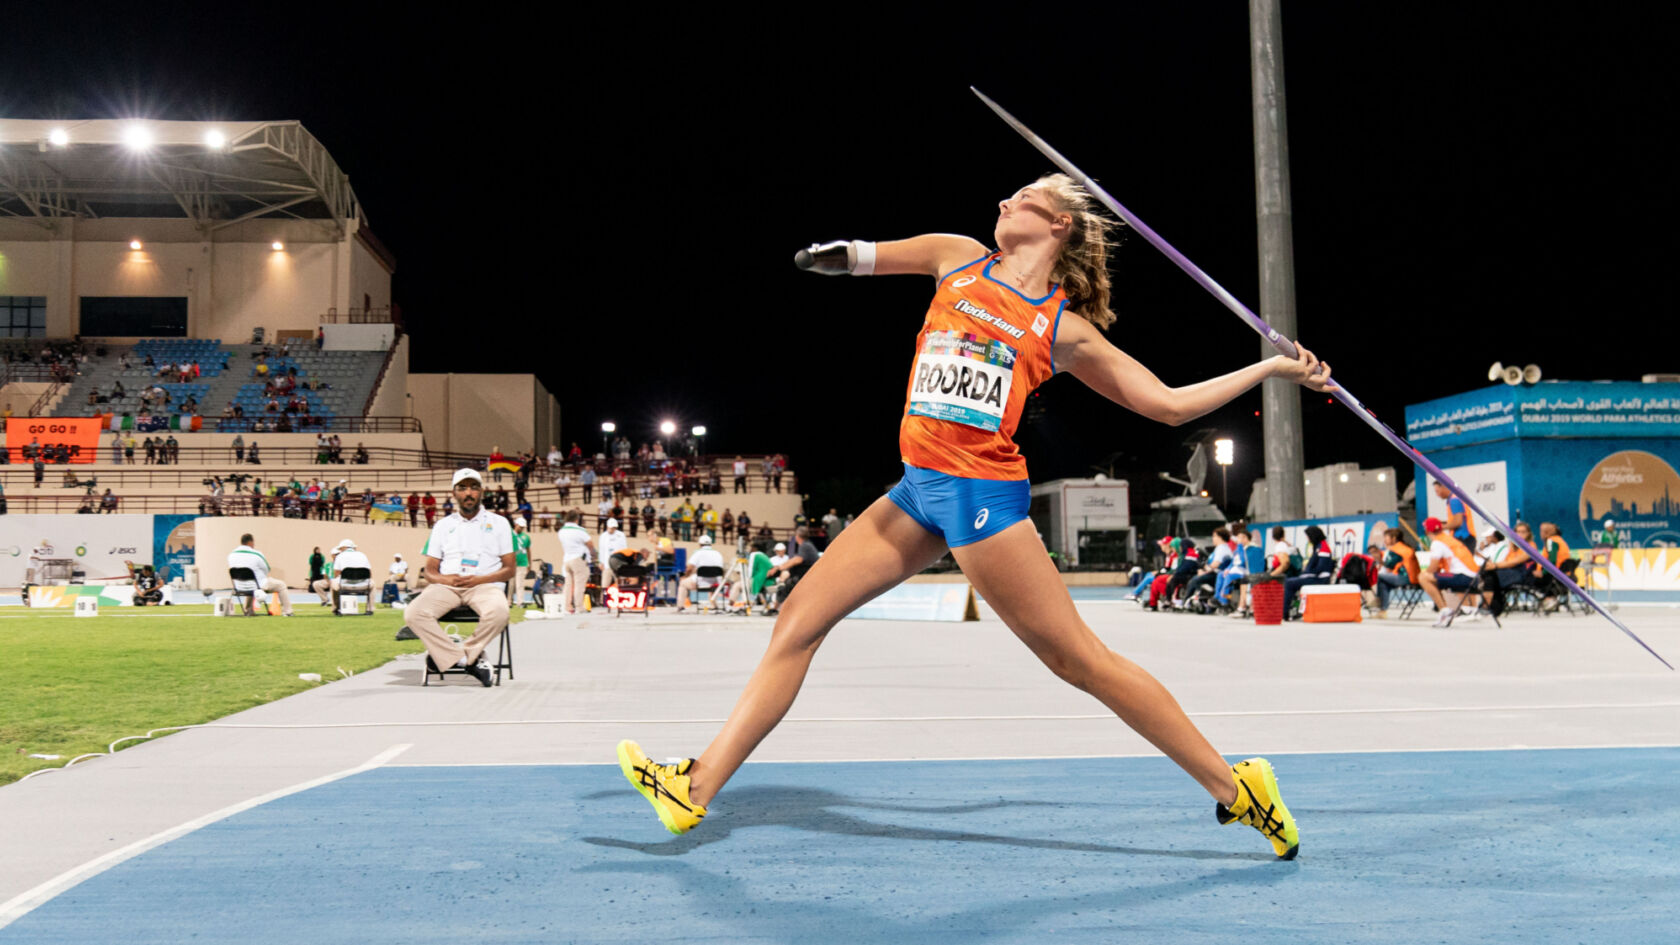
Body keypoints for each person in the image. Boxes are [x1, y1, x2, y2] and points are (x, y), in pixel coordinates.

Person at [616, 175, 1333, 858]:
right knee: (797, 621)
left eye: (1024, 197)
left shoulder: (1065, 329)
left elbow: (1167, 403)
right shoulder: (957, 258)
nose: (1003, 199)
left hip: (980, 498)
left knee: (1080, 660)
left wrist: (1270, 369)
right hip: (916, 489)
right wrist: (830, 257)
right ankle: (696, 786)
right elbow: (865, 257)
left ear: (1059, 225)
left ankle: (1238, 789)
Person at [406, 469, 514, 686]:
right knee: (414, 613)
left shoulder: (500, 523)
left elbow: (510, 569)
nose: (469, 493)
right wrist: (447, 580)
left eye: (474, 488)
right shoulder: (443, 525)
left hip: (485, 585)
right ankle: (467, 661)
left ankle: (453, 656)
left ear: (482, 491)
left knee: (500, 613)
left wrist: (479, 580)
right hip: (448, 585)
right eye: (462, 488)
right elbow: (429, 571)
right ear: (453, 493)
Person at [1418, 516, 1478, 627]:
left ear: (1427, 530)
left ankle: (1444, 610)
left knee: (1423, 577)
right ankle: (1447, 609)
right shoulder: (1448, 539)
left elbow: (1432, 568)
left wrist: (1425, 573)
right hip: (1472, 576)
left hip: (1463, 577)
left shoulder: (1438, 543)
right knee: (1432, 579)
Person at [227, 533, 293, 616]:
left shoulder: (231, 555)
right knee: (281, 585)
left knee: (250, 583)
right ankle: (288, 612)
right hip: (257, 585)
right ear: (250, 542)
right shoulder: (256, 554)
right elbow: (267, 569)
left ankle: (248, 610)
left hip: (239, 586)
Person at [1281, 525, 1335, 619]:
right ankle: (1289, 609)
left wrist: (1306, 574)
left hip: (1320, 579)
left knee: (1289, 583)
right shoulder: (1318, 546)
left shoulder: (1323, 548)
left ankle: (1284, 613)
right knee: (1290, 580)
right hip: (1314, 576)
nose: (1307, 538)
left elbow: (1321, 568)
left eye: (1308, 536)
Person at [1373, 528, 1421, 618]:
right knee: (1384, 583)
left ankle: (1378, 602)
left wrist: (1379, 560)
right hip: (1414, 577)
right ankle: (1382, 610)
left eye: (1386, 538)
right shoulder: (1405, 547)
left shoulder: (1395, 549)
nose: (1384, 540)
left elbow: (1390, 565)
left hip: (1405, 578)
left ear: (1393, 538)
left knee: (1380, 577)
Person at [312, 539, 371, 610]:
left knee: (334, 582)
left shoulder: (341, 557)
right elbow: (369, 573)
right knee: (372, 584)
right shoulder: (362, 555)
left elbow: (337, 574)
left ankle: (336, 608)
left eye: (339, 552)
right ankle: (370, 609)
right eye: (335, 554)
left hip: (343, 582)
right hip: (360, 583)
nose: (338, 554)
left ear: (343, 548)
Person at [557, 509, 596, 614]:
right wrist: (594, 556)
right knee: (579, 584)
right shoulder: (580, 531)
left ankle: (567, 606)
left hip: (567, 559)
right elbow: (590, 544)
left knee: (568, 584)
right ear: (576, 519)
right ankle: (579, 607)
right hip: (578, 559)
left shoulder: (561, 531)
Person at [676, 533, 725, 613]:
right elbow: (721, 570)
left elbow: (689, 568)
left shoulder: (698, 553)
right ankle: (714, 605)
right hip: (715, 583)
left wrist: (685, 576)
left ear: (700, 544)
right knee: (711, 579)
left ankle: (680, 606)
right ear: (711, 544)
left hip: (700, 583)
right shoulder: (718, 554)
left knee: (682, 583)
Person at [509, 516, 532, 605]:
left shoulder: (526, 537)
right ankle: (509, 601)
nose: (521, 529)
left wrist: (529, 564)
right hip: (511, 563)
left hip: (522, 563)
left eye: (523, 527)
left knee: (520, 583)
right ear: (516, 524)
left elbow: (528, 550)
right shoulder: (510, 534)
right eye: (520, 527)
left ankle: (520, 602)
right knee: (511, 584)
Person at [599, 516, 629, 585]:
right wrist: (601, 562)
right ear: (607, 527)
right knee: (604, 585)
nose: (612, 529)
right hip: (607, 565)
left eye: (613, 528)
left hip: (618, 566)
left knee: (620, 585)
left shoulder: (621, 535)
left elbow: (624, 549)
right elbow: (601, 550)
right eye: (610, 527)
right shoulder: (603, 536)